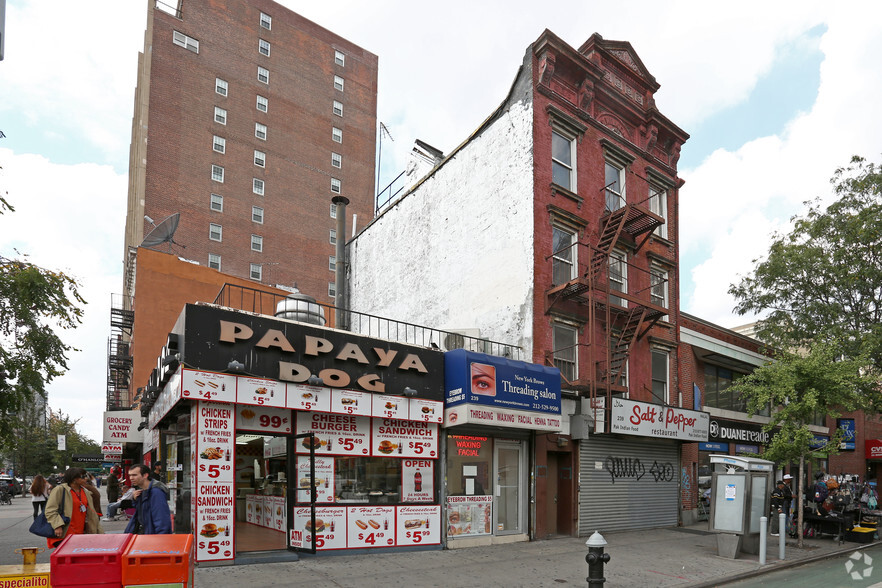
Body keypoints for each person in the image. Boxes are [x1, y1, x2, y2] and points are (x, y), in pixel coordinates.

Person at [44, 467, 103, 548]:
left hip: (80, 533)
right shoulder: (60, 490)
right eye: (82, 476)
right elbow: (50, 510)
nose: (86, 478)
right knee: (66, 557)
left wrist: (98, 531)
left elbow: (91, 513)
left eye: (86, 476)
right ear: (74, 479)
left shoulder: (85, 491)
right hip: (64, 532)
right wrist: (57, 526)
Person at [124, 464, 171, 534]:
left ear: (145, 475)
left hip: (152, 537)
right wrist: (135, 499)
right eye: (130, 475)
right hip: (145, 533)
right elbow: (141, 512)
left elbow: (161, 519)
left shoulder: (156, 493)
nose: (131, 478)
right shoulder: (143, 491)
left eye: (134, 475)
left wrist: (161, 540)